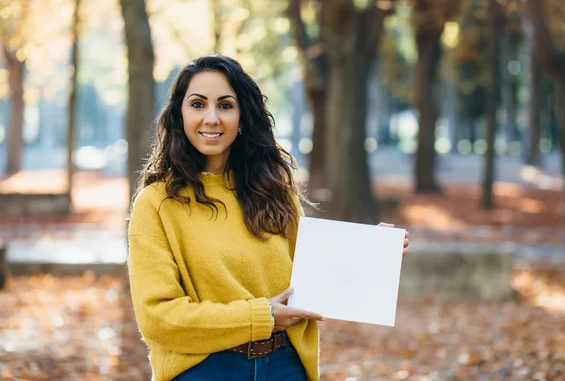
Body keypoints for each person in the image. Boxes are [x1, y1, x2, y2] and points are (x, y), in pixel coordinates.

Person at [127, 54, 410, 381]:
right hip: (204, 371)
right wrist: (260, 317)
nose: (212, 118)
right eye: (198, 104)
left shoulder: (274, 191)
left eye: (226, 105)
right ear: (179, 114)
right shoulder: (157, 204)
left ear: (243, 116)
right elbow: (159, 319)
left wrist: (370, 249)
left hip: (284, 366)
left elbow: (313, 272)